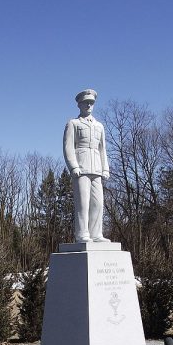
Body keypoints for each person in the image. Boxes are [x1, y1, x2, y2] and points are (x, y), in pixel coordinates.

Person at [63, 89, 110, 243]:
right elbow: (68, 147)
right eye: (86, 103)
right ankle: (82, 234)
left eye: (91, 103)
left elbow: (102, 149)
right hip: (81, 168)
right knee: (83, 203)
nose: (89, 105)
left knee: (98, 203)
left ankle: (96, 234)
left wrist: (105, 168)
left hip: (96, 168)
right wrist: (73, 166)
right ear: (79, 105)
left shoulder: (99, 126)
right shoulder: (73, 124)